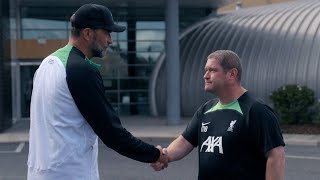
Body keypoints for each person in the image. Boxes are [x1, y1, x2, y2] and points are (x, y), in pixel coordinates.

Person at [27, 4, 168, 180]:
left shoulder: (46, 64)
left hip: (40, 173)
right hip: (71, 174)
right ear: (88, 33)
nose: (110, 40)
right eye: (107, 33)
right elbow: (112, 133)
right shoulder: (81, 70)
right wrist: (155, 154)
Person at [151, 50, 285, 180]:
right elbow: (184, 142)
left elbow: (276, 155)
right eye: (206, 70)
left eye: (212, 70)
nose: (206, 75)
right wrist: (164, 155)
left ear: (232, 74)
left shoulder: (256, 111)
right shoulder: (206, 110)